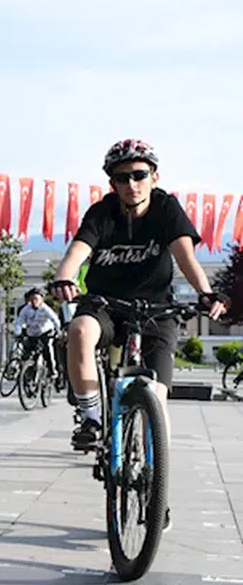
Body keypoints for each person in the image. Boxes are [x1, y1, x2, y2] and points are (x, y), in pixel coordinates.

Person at [51, 139, 224, 451]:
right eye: (122, 177)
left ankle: (156, 482)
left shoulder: (166, 208)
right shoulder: (102, 212)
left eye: (139, 174)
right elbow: (79, 249)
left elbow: (185, 258)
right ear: (112, 183)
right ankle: (91, 417)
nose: (132, 184)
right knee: (78, 330)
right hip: (106, 304)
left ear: (154, 176)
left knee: (156, 398)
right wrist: (64, 276)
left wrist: (207, 293)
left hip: (156, 309)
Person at [14, 288, 60, 378]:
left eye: (36, 299)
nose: (34, 301)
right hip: (32, 334)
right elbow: (19, 321)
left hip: (45, 332)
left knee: (47, 349)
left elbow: (55, 320)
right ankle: (26, 372)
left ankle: (52, 370)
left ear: (41, 300)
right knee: (27, 352)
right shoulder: (26, 309)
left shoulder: (45, 309)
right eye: (32, 299)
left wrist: (58, 332)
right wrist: (18, 332)